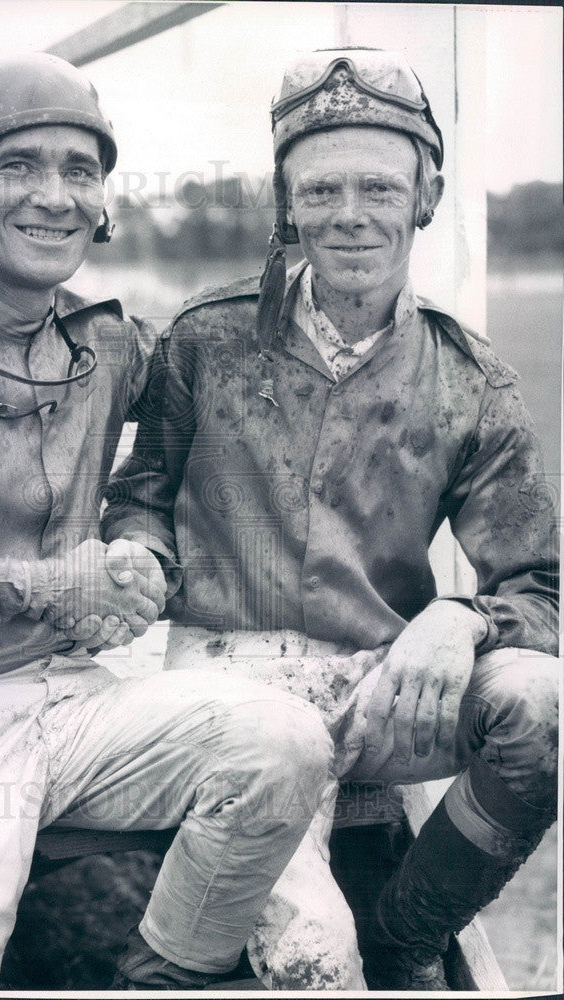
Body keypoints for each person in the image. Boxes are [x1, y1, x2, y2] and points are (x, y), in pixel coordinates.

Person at [0, 53, 334, 993]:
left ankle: (162, 973)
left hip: (76, 699)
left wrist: (138, 556)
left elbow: (153, 473)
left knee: (282, 743)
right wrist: (53, 585)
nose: (54, 196)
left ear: (104, 200)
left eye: (80, 170)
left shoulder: (105, 341)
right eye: (20, 166)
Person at [101, 48, 559, 990]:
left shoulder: (471, 382)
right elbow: (140, 496)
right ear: (286, 202)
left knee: (542, 709)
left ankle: (406, 937)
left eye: (379, 188)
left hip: (379, 689)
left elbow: (541, 592)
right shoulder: (204, 339)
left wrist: (459, 618)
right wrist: (135, 559)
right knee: (316, 967)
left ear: (424, 195)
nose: (350, 215)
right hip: (231, 703)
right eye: (322, 190)